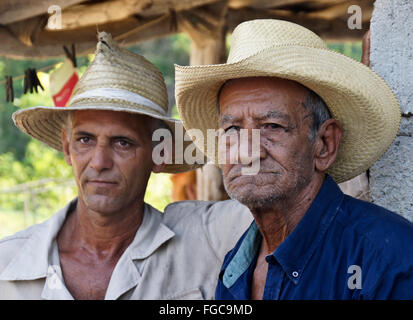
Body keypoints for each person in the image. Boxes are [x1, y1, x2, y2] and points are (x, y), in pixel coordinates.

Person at [0, 32, 252, 300]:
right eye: (85, 140)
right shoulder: (9, 264)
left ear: (160, 152)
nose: (99, 162)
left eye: (123, 143)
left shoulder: (204, 241)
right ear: (67, 148)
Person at [174, 19, 413, 299]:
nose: (246, 152)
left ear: (324, 144)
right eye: (233, 129)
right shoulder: (236, 266)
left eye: (272, 126)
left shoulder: (386, 259)